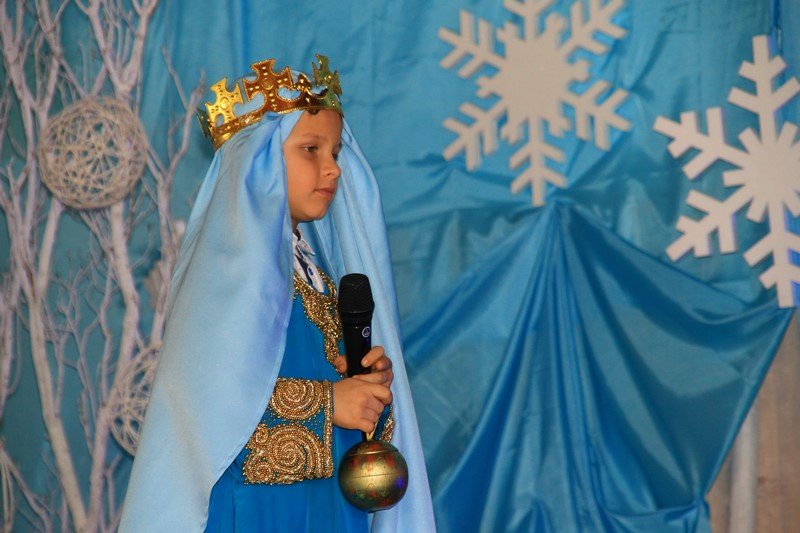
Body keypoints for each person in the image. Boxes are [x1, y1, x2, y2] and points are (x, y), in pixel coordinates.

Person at [119, 55, 435, 532]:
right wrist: (331, 404)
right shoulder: (226, 274)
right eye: (311, 150)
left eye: (335, 154)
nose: (332, 170)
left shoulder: (317, 275)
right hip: (259, 513)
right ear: (257, 162)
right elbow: (206, 417)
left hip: (327, 509)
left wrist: (369, 390)